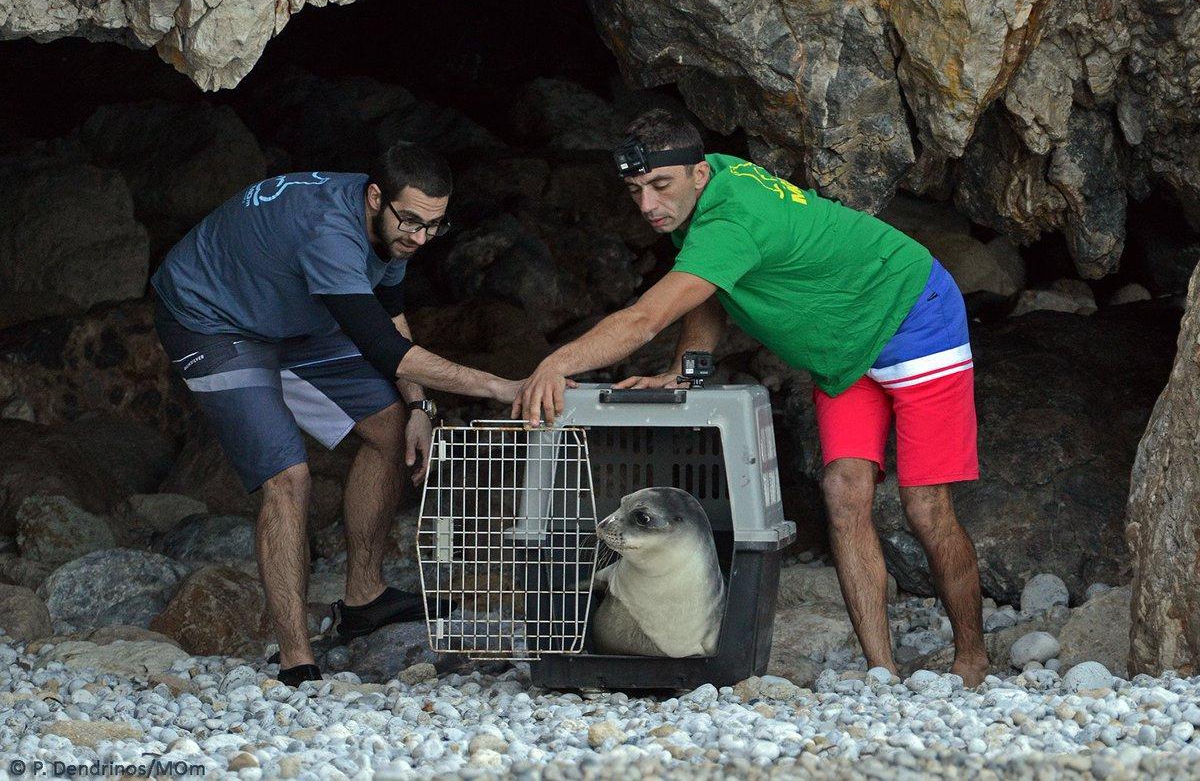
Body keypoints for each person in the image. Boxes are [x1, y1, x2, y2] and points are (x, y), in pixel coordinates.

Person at [512, 109, 989, 684]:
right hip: (843, 350)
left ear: (697, 174)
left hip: (912, 314)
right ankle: (882, 673)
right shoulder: (705, 189)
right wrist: (686, 370)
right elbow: (708, 290)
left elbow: (643, 319)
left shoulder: (731, 221)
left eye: (659, 186)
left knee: (924, 507)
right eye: (635, 191)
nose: (647, 207)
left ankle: (971, 659)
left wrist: (556, 363)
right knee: (843, 493)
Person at [151, 144, 519, 687]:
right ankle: (296, 660)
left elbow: (390, 313)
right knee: (287, 477)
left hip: (297, 313)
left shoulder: (390, 229)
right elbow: (384, 348)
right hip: (212, 318)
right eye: (411, 222)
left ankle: (364, 598)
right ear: (376, 197)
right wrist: (502, 386)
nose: (419, 239)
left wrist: (418, 405)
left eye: (434, 227)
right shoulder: (330, 232)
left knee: (392, 428)